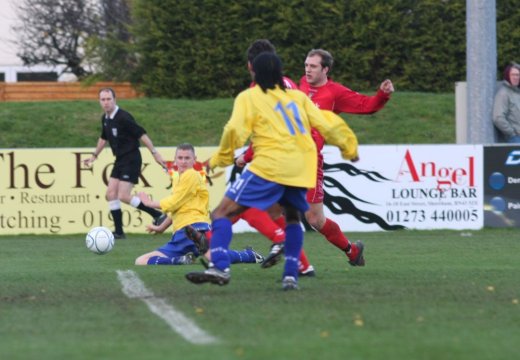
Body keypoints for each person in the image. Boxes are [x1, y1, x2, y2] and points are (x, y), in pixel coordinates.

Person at [185, 52, 359, 290]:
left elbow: (233, 131)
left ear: (254, 72)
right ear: (280, 74)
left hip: (270, 165)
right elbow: (326, 122)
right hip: (301, 167)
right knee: (291, 218)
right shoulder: (298, 97)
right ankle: (291, 276)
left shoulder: (250, 97)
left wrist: (221, 159)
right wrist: (349, 147)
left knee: (222, 213)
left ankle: (220, 266)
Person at [135, 143, 264, 266]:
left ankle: (179, 260)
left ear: (194, 160)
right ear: (175, 160)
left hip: (191, 229)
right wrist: (162, 227)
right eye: (180, 158)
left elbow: (173, 203)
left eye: (187, 158)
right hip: (192, 232)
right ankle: (249, 255)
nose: (183, 161)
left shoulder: (191, 175)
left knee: (141, 260)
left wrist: (149, 203)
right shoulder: (180, 179)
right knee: (215, 256)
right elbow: (178, 206)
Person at [83, 87, 168, 239]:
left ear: (115, 100)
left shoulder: (123, 117)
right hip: (120, 160)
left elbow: (141, 134)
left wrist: (155, 153)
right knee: (110, 194)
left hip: (132, 158)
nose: (106, 102)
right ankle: (119, 232)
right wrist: (94, 155)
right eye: (103, 99)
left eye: (109, 99)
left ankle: (157, 214)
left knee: (123, 195)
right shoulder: (106, 118)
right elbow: (104, 138)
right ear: (99, 102)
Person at [493, 62, 520, 143]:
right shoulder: (503, 93)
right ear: (508, 76)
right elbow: (498, 118)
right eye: (513, 75)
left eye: (518, 75)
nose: (516, 77)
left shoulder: (517, 92)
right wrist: (512, 133)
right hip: (515, 138)